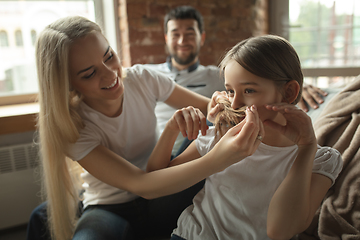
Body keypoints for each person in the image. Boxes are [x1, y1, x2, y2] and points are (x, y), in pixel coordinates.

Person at [27, 16, 263, 240]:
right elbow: (143, 185)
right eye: (90, 73)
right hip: (110, 208)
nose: (111, 74)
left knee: (214, 123)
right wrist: (221, 157)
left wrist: (223, 106)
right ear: (67, 84)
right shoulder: (73, 125)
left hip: (164, 192)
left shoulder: (141, 78)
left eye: (109, 56)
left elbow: (211, 109)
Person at [147, 35, 343, 240]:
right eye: (230, 91)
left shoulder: (320, 160)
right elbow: (154, 182)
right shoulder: (219, 136)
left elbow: (280, 231)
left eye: (249, 90)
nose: (235, 103)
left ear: (289, 92)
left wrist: (306, 147)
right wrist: (171, 128)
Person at [144, 5, 328, 156]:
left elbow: (261, 81)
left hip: (197, 141)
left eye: (190, 34)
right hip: (161, 149)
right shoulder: (151, 75)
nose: (182, 40)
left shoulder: (218, 75)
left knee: (217, 112)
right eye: (175, 34)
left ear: (202, 38)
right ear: (167, 38)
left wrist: (299, 87)